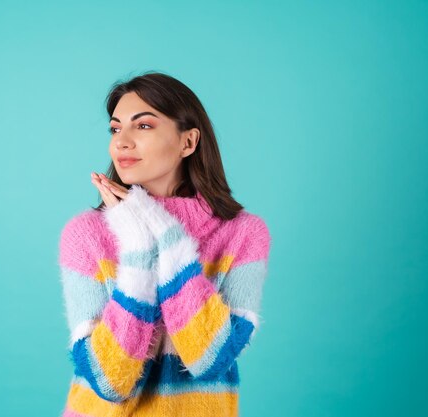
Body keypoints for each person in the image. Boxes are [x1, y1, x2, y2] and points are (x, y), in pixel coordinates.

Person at [57, 71, 272, 417]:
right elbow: (109, 380)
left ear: (188, 143)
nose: (122, 142)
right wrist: (138, 250)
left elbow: (210, 358)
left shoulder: (243, 234)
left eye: (143, 126)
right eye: (115, 128)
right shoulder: (86, 235)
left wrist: (166, 238)